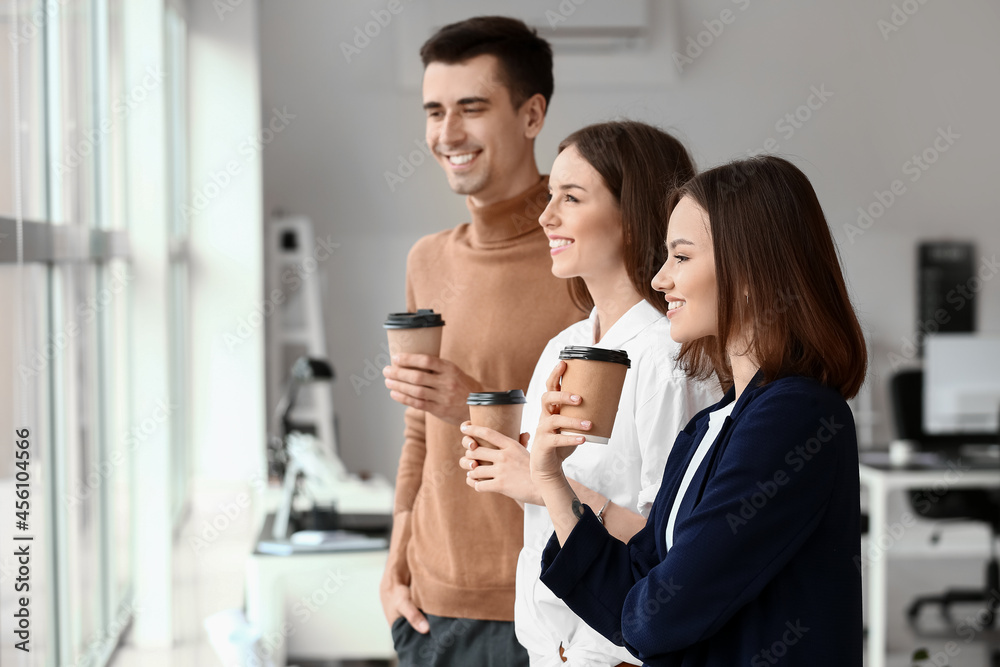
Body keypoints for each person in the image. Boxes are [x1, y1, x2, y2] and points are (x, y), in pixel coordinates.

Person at [528, 155, 868, 666]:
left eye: (681, 258)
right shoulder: (710, 426)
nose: (661, 279)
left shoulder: (796, 417)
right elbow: (633, 592)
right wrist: (550, 478)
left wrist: (642, 601)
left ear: (751, 270)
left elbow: (656, 616)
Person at [458, 121, 720, 666]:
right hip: (549, 650)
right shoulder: (565, 346)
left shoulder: (669, 358)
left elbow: (674, 546)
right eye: (550, 195)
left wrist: (543, 484)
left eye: (571, 198)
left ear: (632, 216)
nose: (545, 216)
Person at [379, 16, 587, 666]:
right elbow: (419, 434)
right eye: (435, 111)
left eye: (471, 108)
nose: (447, 133)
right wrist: (395, 565)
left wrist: (475, 401)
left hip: (546, 601)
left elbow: (620, 443)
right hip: (430, 607)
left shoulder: (583, 251)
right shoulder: (427, 259)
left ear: (532, 115)